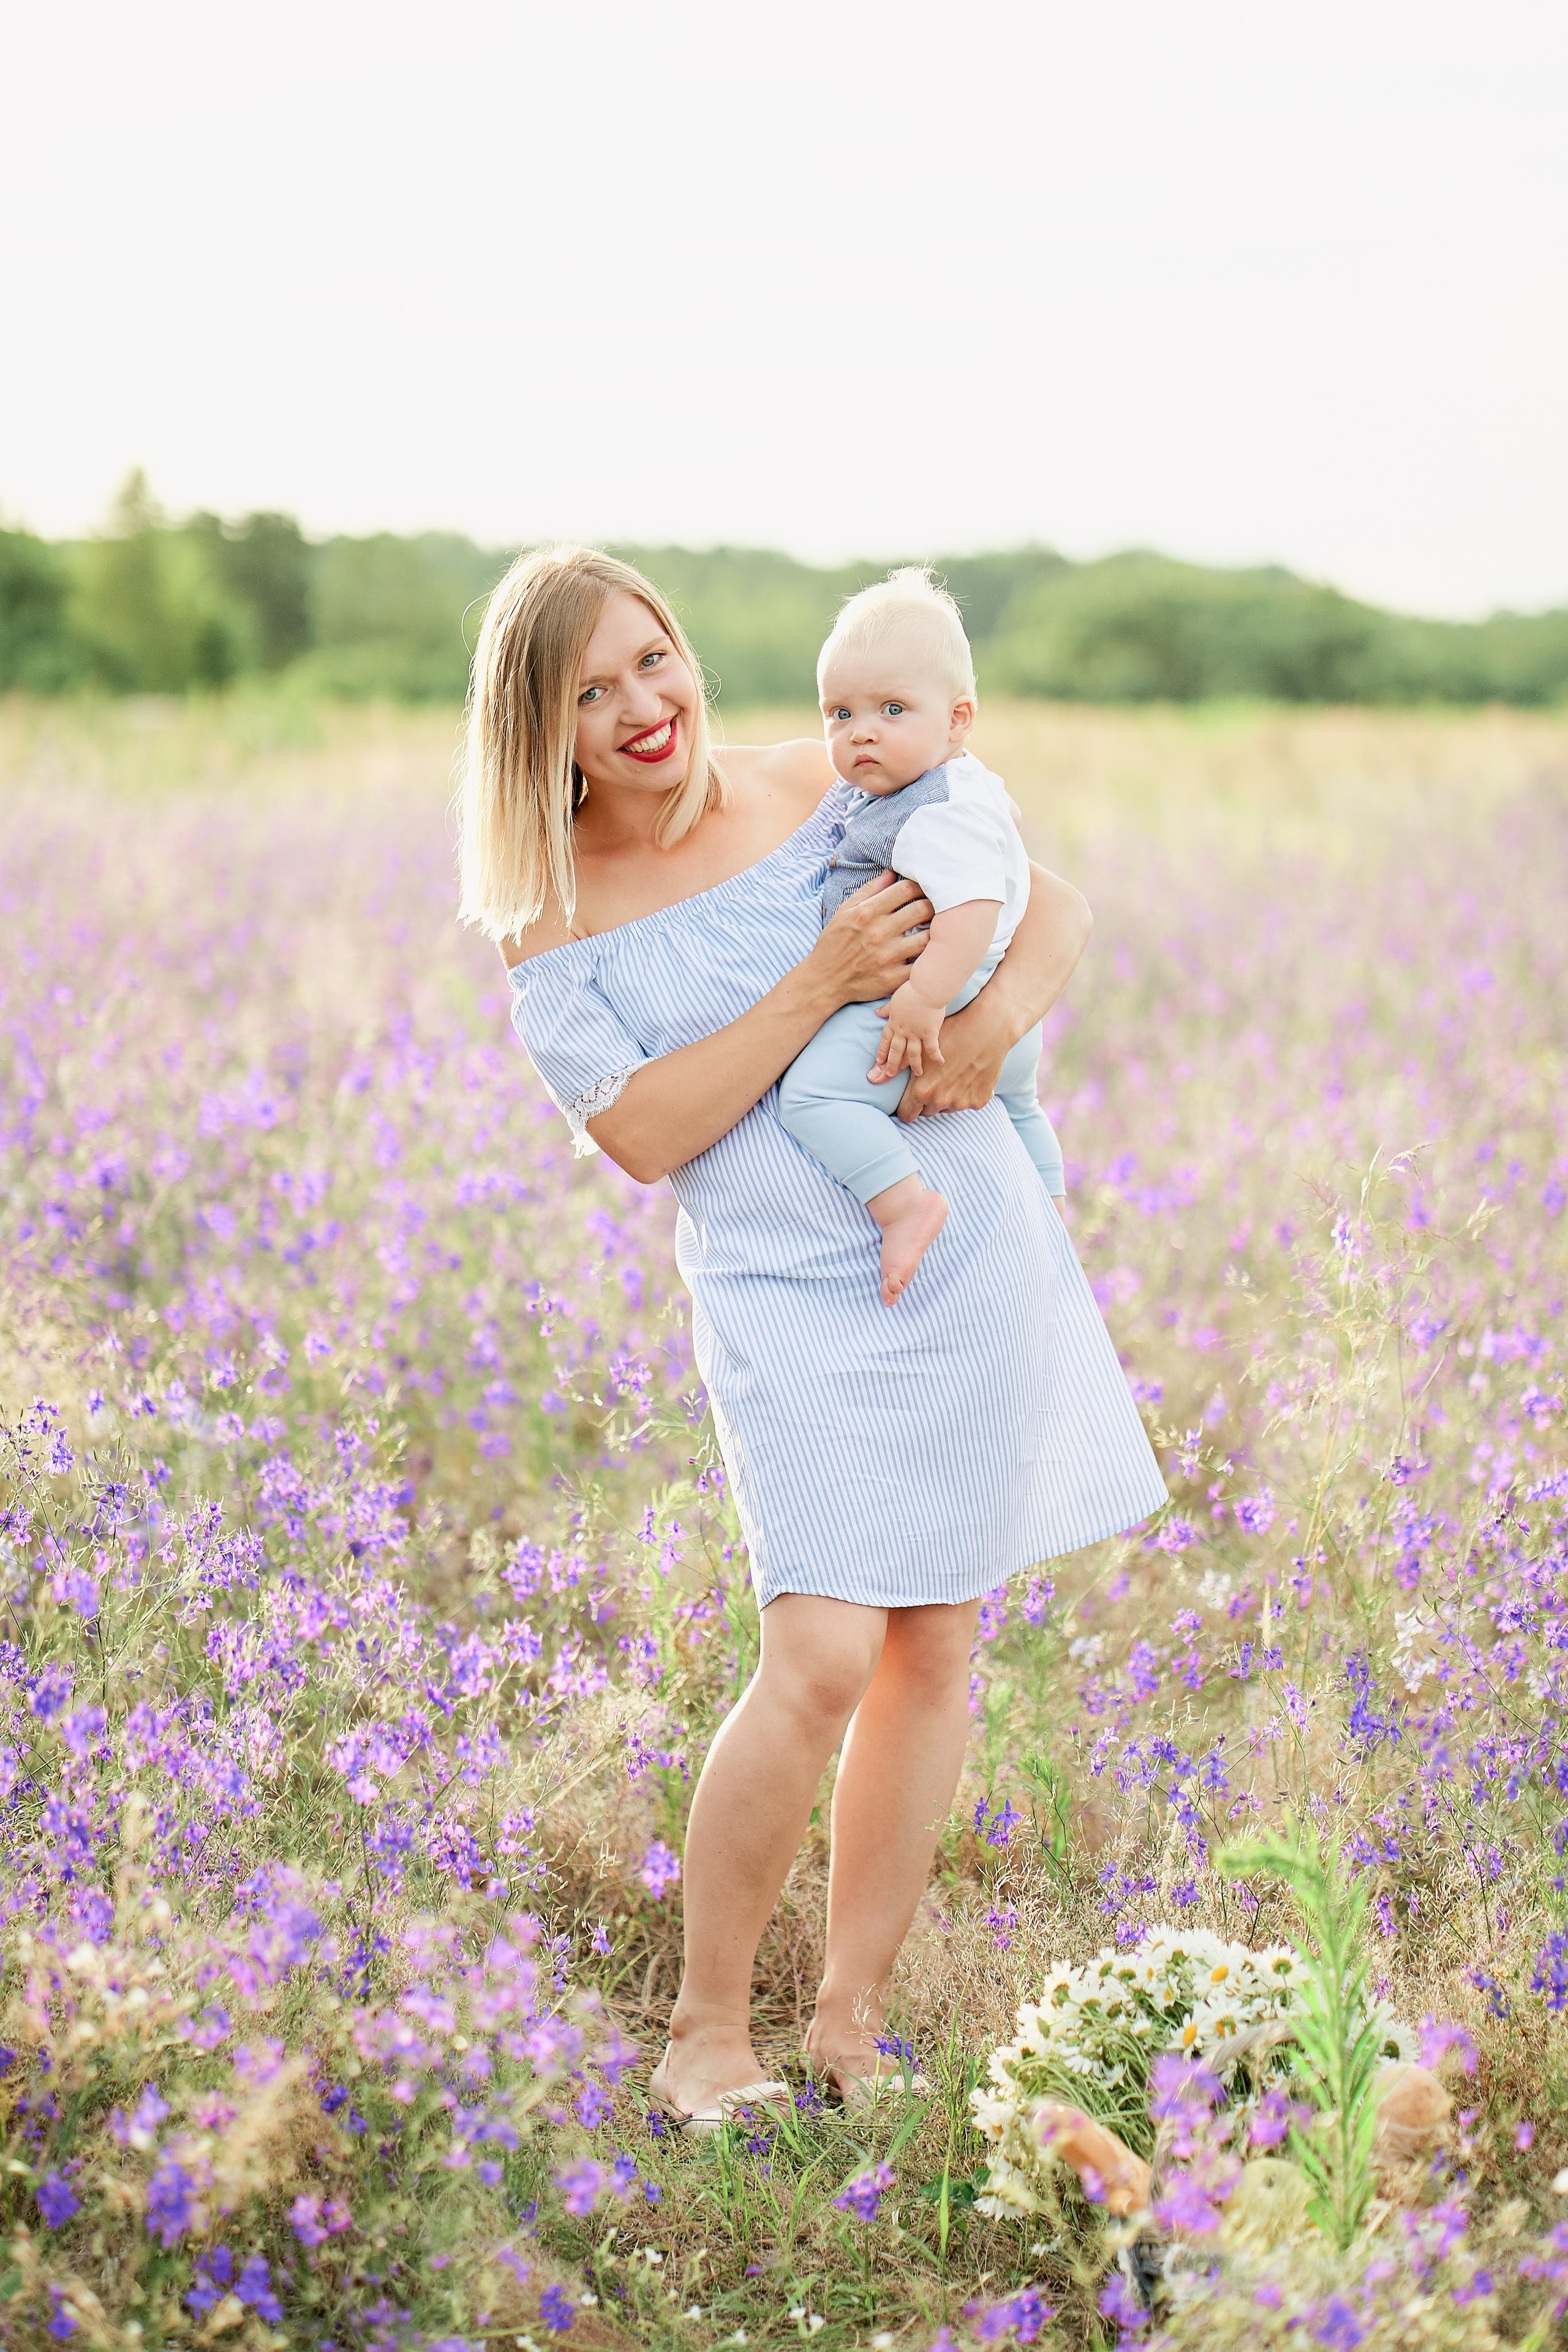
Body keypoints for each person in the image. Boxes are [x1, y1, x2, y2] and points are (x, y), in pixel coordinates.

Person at [456, 546, 1167, 2129]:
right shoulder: (549, 915)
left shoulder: (824, 777)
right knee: (820, 1651)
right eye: (593, 688)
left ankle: (849, 2028)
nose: (644, 705)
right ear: (540, 725)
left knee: (935, 1639)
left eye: (655, 658)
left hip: (949, 1244)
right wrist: (816, 984)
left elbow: (1050, 911)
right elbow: (647, 1135)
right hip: (784, 1290)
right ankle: (709, 2035)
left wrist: (975, 1036)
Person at [778, 567, 1063, 1305]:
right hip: (999, 1011)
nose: (860, 731)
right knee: (1023, 1108)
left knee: (814, 1099)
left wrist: (924, 1002)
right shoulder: (965, 785)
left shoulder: (932, 810)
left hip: (936, 1002)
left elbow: (971, 907)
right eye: (838, 713)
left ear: (958, 719)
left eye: (892, 709)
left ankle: (904, 1206)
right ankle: (1054, 1222)